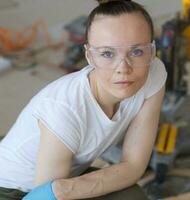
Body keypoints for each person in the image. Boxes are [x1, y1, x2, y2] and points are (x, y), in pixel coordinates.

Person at [0, 0, 167, 199]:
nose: (123, 67)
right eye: (107, 53)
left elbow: (134, 166)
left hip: (63, 181)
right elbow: (43, 196)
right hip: (13, 190)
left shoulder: (154, 74)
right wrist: (58, 191)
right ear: (89, 56)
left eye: (137, 51)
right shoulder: (65, 109)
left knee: (132, 196)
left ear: (152, 50)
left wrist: (63, 189)